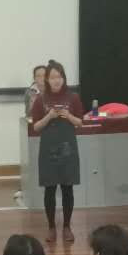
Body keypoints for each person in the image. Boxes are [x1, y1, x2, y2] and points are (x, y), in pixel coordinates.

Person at [29, 59, 84, 243]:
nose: (56, 80)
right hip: (48, 149)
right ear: (47, 79)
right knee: (50, 189)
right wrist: (49, 116)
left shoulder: (73, 97)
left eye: (59, 76)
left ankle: (67, 226)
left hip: (68, 148)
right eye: (53, 77)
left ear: (64, 78)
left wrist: (68, 116)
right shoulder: (40, 99)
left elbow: (80, 122)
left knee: (68, 188)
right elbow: (36, 127)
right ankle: (51, 227)